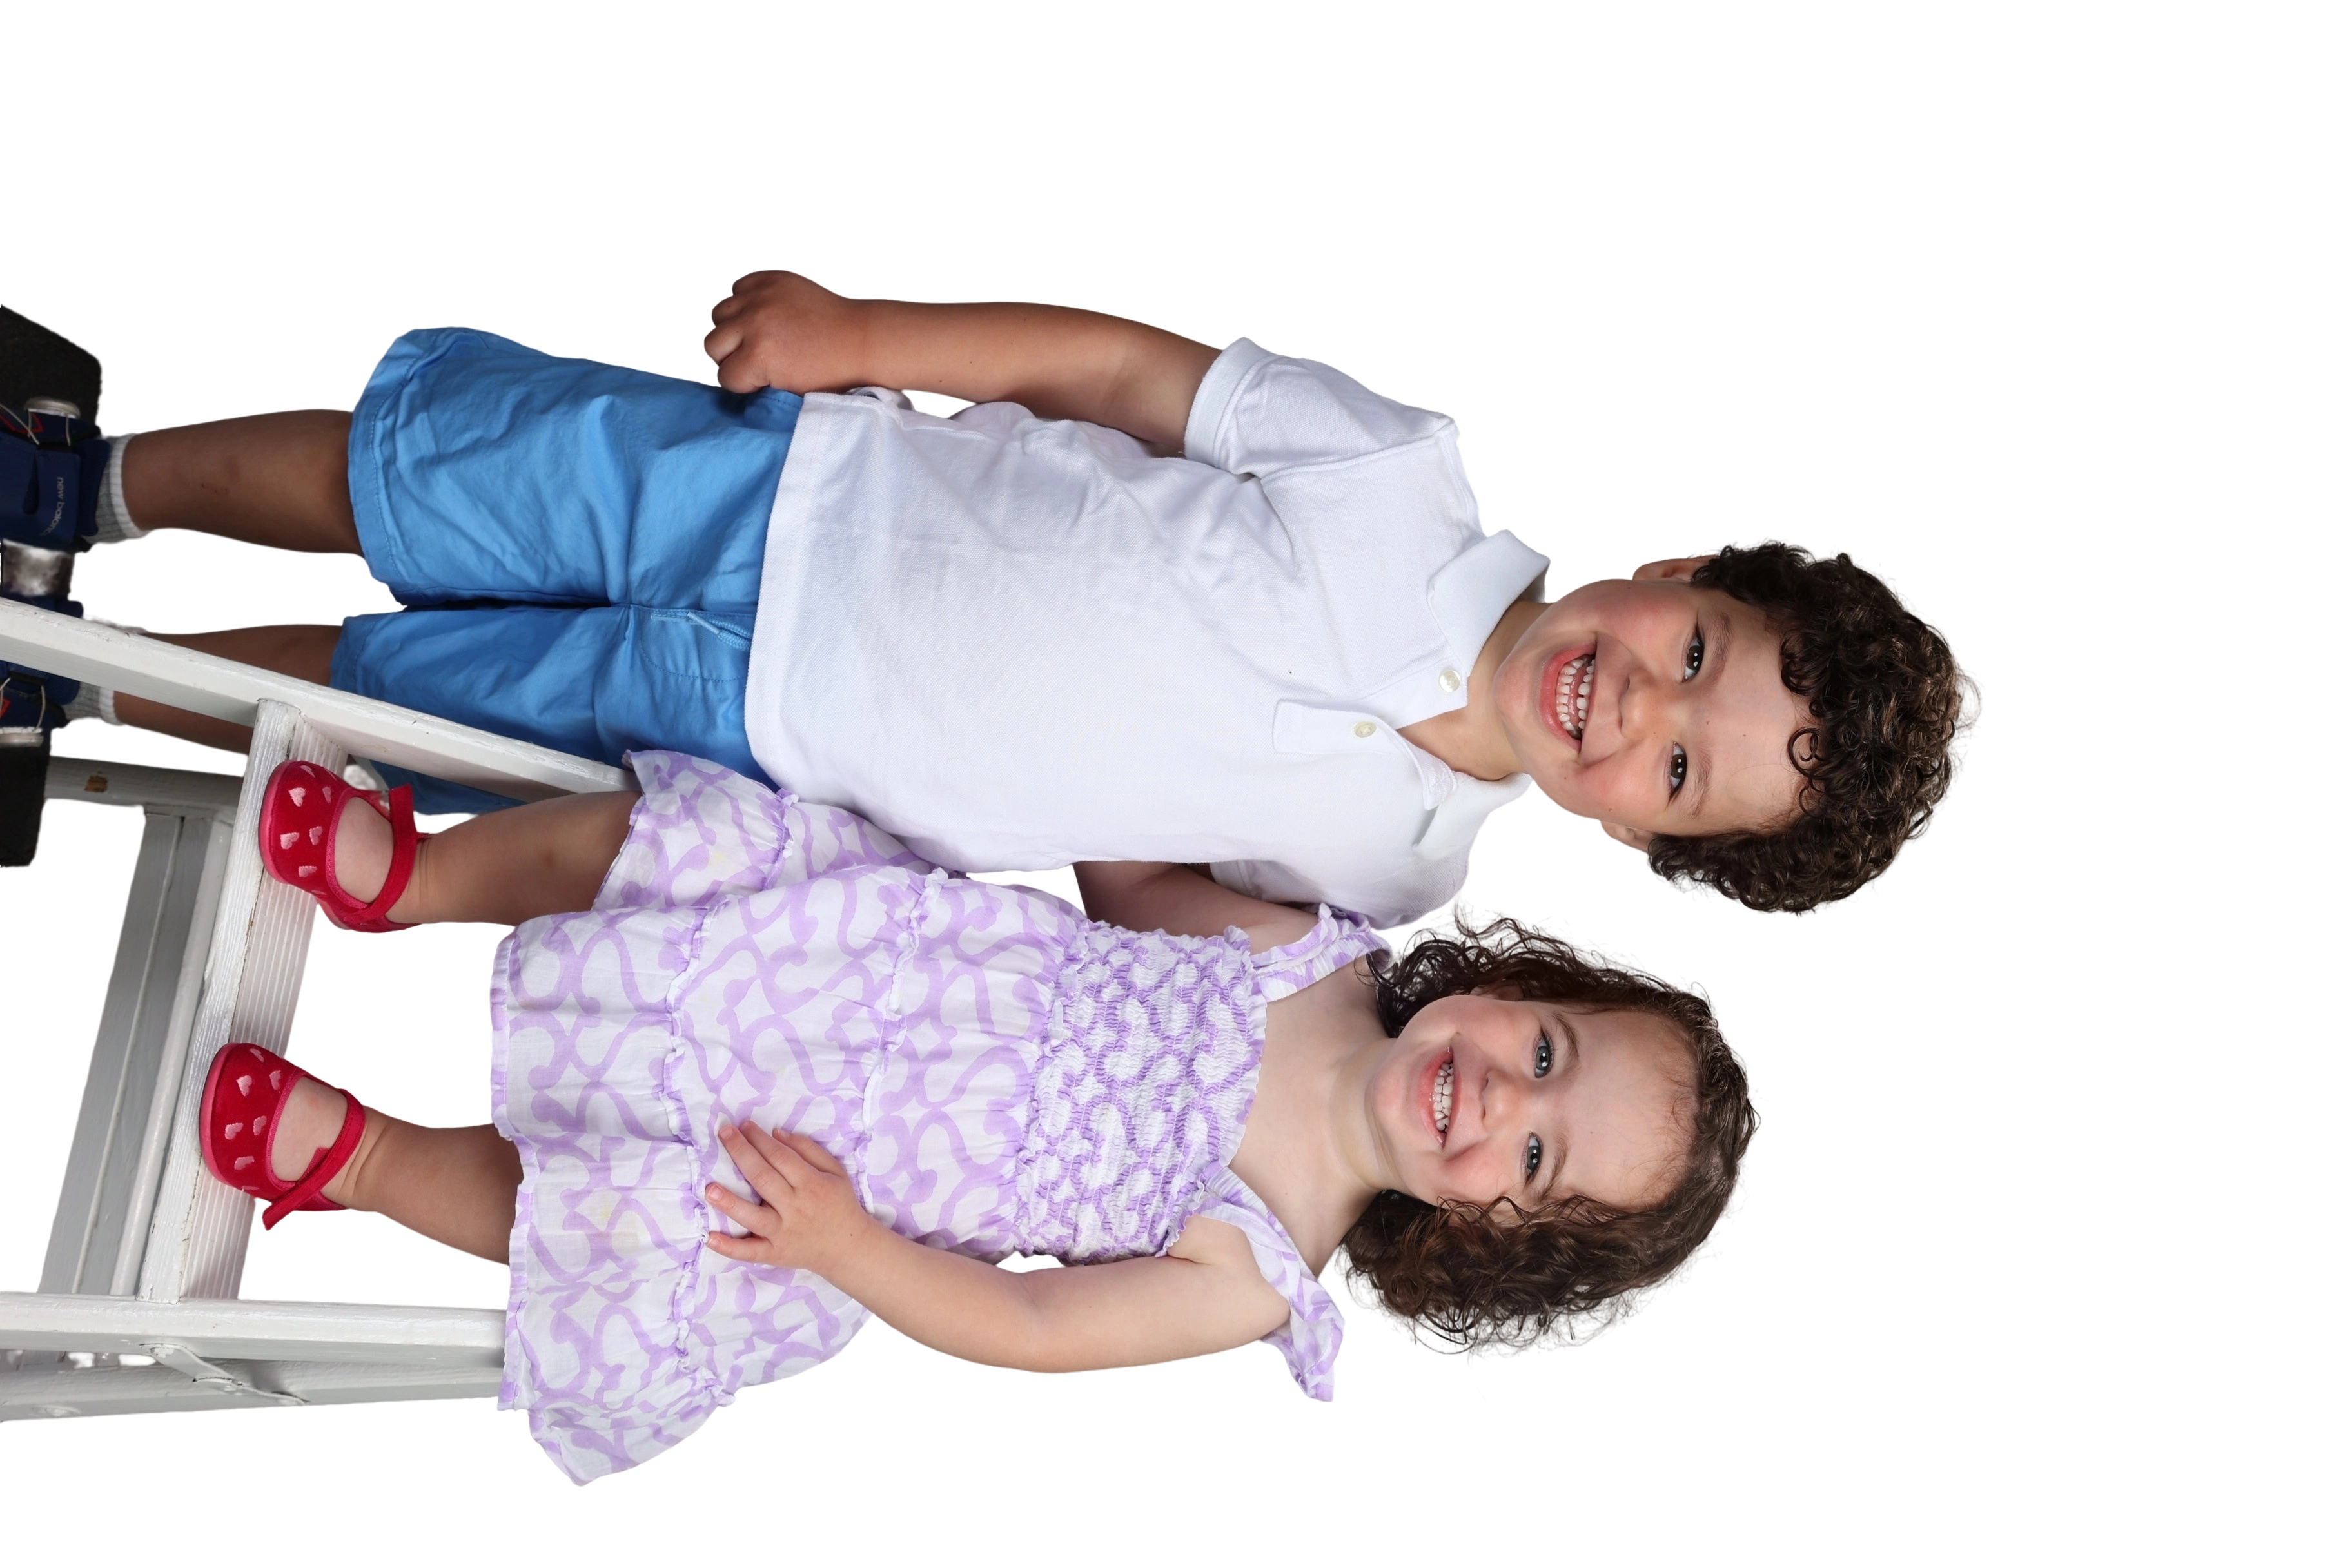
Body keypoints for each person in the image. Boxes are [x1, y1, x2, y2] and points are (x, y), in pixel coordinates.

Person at [8, 272, 1981, 918]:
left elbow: (1134, 882)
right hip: (797, 492)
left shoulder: (1396, 875)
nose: (1636, 709)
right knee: (416, 476)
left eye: (1680, 769)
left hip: (774, 748)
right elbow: (1118, 370)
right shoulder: (1406, 479)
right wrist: (866, 335)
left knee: (385, 697)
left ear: (1649, 840)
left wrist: (1160, 902)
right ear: (1681, 573)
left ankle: (81, 675)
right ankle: (89, 482)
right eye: (1694, 656)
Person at [201, 749, 1764, 1484]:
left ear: (1493, 1240)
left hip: (852, 1182)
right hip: (868, 949)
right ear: (1516, 982)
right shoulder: (1319, 954)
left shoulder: (1263, 1265)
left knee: (659, 1221)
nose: (1499, 1097)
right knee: (688, 842)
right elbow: (1127, 879)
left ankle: (355, 1153)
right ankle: (420, 877)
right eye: (1545, 1048)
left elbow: (1029, 1322)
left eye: (1535, 1158)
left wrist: (849, 1247)